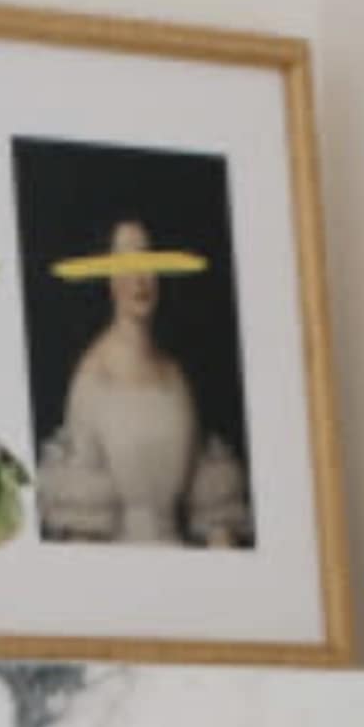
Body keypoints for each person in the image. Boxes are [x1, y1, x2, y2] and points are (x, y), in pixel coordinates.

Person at [40, 218, 249, 545]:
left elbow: (211, 511)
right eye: (125, 262)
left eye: (148, 260)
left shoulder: (175, 375)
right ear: (108, 277)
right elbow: (82, 531)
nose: (139, 278)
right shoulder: (93, 377)